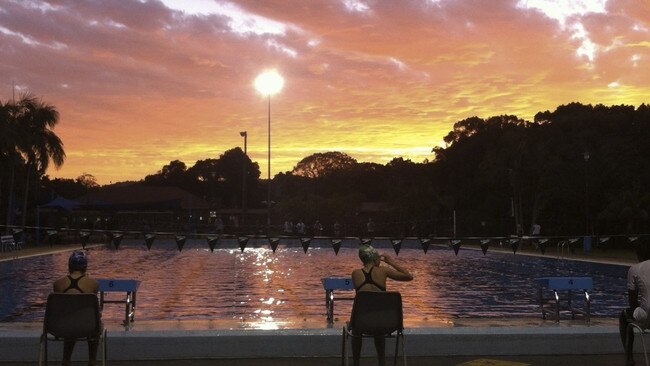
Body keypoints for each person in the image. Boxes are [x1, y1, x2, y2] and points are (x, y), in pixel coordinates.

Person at [350, 244, 413, 366]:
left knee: (356, 329)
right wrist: (391, 262)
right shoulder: (384, 271)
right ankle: (382, 362)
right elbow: (408, 276)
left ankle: (356, 363)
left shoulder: (355, 273)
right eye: (379, 257)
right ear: (374, 259)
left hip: (361, 324)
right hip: (384, 324)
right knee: (378, 321)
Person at [53, 250, 100, 366]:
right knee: (95, 323)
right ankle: (92, 361)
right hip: (87, 328)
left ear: (69, 266)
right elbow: (96, 312)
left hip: (61, 328)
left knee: (70, 319)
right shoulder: (93, 284)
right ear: (85, 267)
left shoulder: (58, 284)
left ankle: (66, 360)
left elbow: (59, 311)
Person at [620, 239, 650, 366]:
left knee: (623, 316)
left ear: (638, 254)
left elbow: (632, 301)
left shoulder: (634, 269)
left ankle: (629, 358)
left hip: (648, 317)